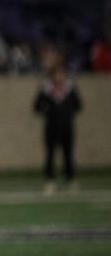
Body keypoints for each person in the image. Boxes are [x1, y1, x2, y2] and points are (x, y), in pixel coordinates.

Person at [34, 65, 82, 194]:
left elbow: (78, 105)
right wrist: (49, 109)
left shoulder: (70, 89)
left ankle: (70, 179)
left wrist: (67, 112)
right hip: (51, 127)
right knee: (50, 154)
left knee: (68, 154)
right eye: (56, 74)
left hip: (67, 126)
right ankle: (49, 180)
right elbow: (37, 107)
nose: (59, 77)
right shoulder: (46, 90)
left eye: (61, 74)